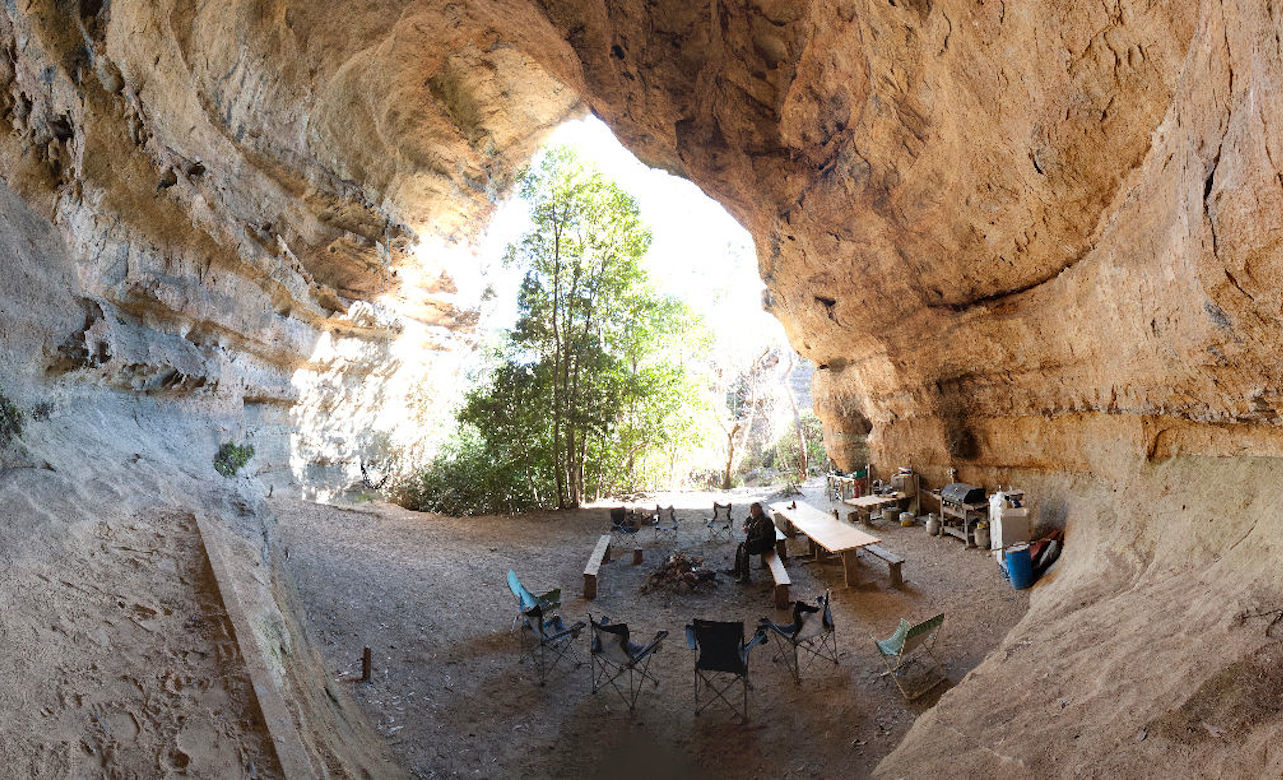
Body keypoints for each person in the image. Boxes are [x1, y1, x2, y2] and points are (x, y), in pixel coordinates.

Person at [727, 502, 775, 583]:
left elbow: (764, 538)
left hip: (766, 544)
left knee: (745, 549)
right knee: (741, 546)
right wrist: (745, 526)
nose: (752, 513)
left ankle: (745, 577)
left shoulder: (765, 520)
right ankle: (737, 570)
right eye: (752, 511)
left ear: (760, 510)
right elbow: (747, 520)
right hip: (758, 541)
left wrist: (751, 541)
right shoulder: (755, 517)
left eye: (754, 511)